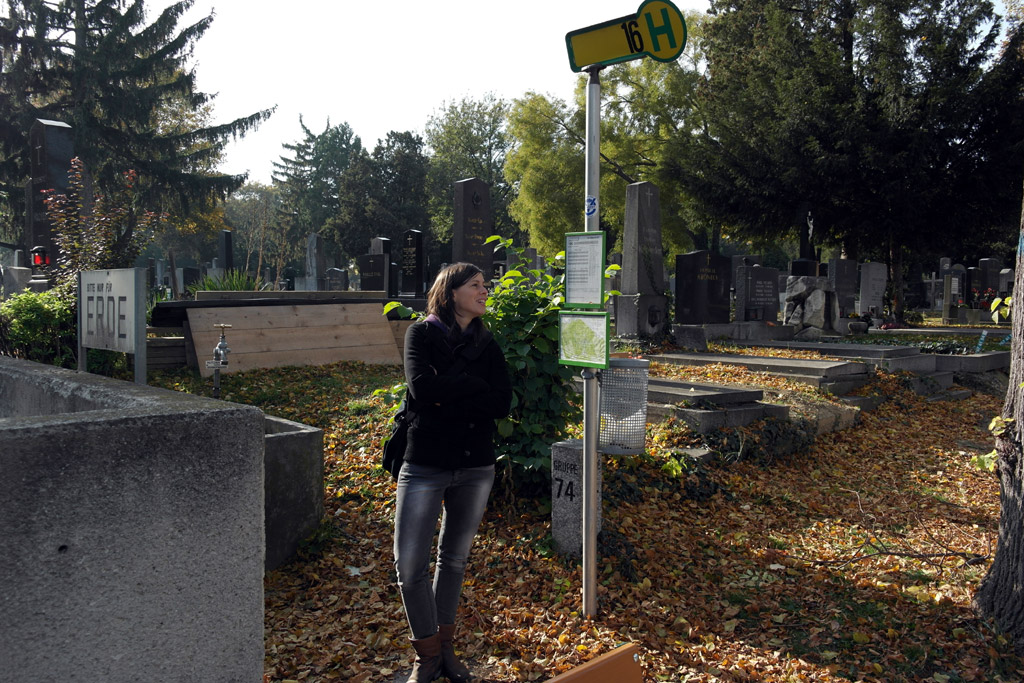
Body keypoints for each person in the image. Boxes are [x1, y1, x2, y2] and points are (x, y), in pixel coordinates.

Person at [394, 262, 513, 683]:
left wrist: (450, 393)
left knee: (454, 561)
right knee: (410, 566)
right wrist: (473, 387)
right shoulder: (421, 335)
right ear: (451, 292)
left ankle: (442, 652)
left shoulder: (488, 343)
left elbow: (501, 402)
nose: (484, 291)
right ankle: (426, 655)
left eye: (485, 285)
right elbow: (421, 389)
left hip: (476, 466)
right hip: (425, 465)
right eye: (475, 285)